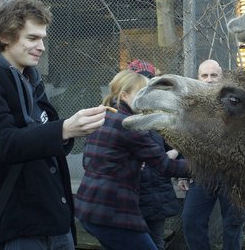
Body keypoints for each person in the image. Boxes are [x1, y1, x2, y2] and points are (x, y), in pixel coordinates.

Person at [0, 0, 107, 249]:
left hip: (54, 219)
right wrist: (64, 129)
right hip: (16, 226)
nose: (42, 46)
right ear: (4, 36)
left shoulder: (31, 78)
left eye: (43, 38)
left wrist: (67, 132)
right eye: (32, 38)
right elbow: (0, 143)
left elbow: (46, 136)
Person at [74, 69, 190, 250]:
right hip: (113, 213)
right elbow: (165, 166)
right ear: (124, 95)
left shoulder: (103, 116)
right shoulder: (130, 125)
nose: (147, 100)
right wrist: (203, 166)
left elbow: (88, 161)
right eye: (141, 94)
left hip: (88, 208)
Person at [179, 59, 245, 250]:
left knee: (233, 226)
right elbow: (185, 139)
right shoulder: (190, 105)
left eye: (213, 75)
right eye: (204, 75)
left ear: (222, 77)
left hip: (235, 177)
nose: (209, 80)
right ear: (198, 78)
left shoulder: (238, 102)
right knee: (191, 220)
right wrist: (183, 172)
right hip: (203, 175)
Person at [128, 59, 182, 250]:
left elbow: (177, 142)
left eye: (148, 79)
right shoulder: (123, 114)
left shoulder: (162, 111)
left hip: (157, 191)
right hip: (133, 193)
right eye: (139, 80)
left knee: (156, 241)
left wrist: (173, 153)